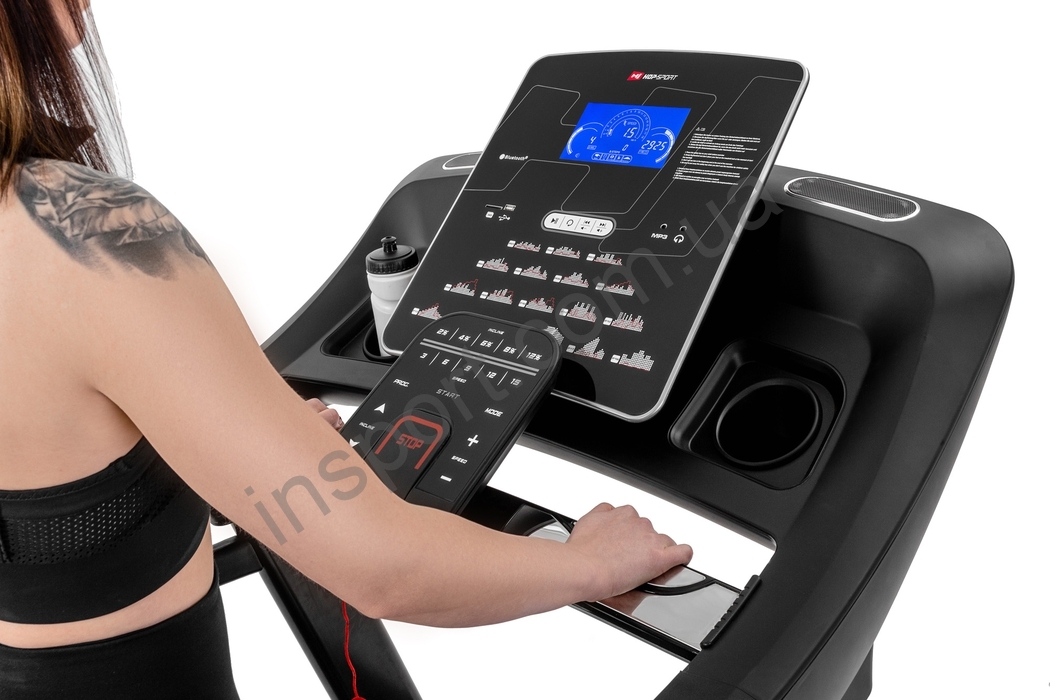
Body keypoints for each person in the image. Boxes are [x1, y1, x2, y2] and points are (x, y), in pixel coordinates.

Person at [0, 0, 693, 696]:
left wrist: (238, 450)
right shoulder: (84, 228)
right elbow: (385, 570)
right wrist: (588, 563)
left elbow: (52, 467)